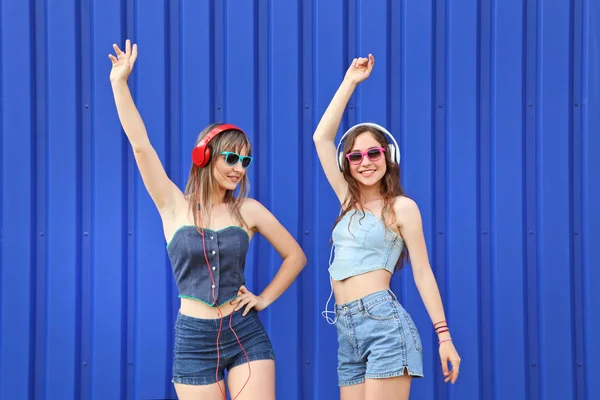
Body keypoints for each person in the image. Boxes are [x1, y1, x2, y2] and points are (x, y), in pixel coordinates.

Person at [108, 40, 307, 400]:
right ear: (204, 156)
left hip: (244, 333)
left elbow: (296, 256)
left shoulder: (249, 210)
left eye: (245, 162)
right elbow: (141, 146)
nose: (238, 169)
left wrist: (263, 298)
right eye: (231, 158)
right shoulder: (172, 204)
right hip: (194, 339)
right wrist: (119, 83)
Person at [313, 54, 460, 399]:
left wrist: (444, 337)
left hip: (385, 327)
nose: (365, 162)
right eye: (355, 156)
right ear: (346, 164)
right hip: (346, 329)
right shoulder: (348, 202)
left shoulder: (402, 209)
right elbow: (322, 137)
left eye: (374, 153)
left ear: (388, 157)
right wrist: (350, 81)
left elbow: (423, 272)